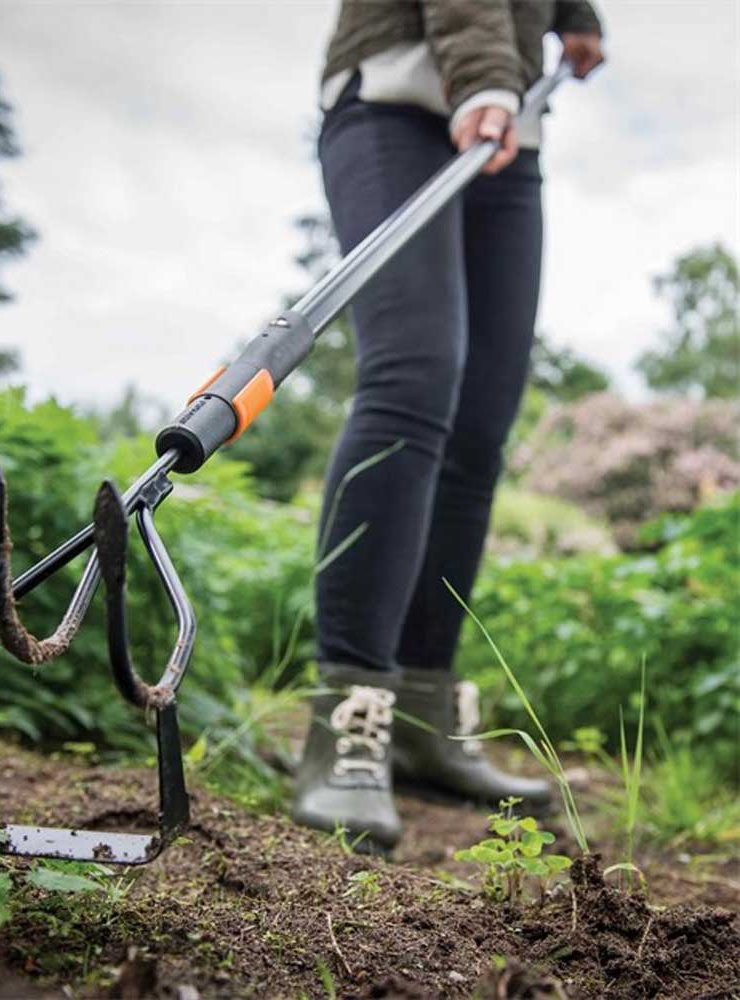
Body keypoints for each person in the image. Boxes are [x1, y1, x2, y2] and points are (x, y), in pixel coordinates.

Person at [292, 1, 605, 850]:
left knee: (480, 424)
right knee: (413, 378)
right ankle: (347, 719)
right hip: (397, 102)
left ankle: (424, 716)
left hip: (512, 128)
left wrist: (573, 14)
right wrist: (483, 75)